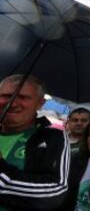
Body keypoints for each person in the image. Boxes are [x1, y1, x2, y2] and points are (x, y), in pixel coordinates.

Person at [0, 74, 69, 210]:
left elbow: (54, 193)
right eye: (6, 96)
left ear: (40, 103)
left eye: (23, 97)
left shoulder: (52, 137)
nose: (12, 103)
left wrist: (3, 174)